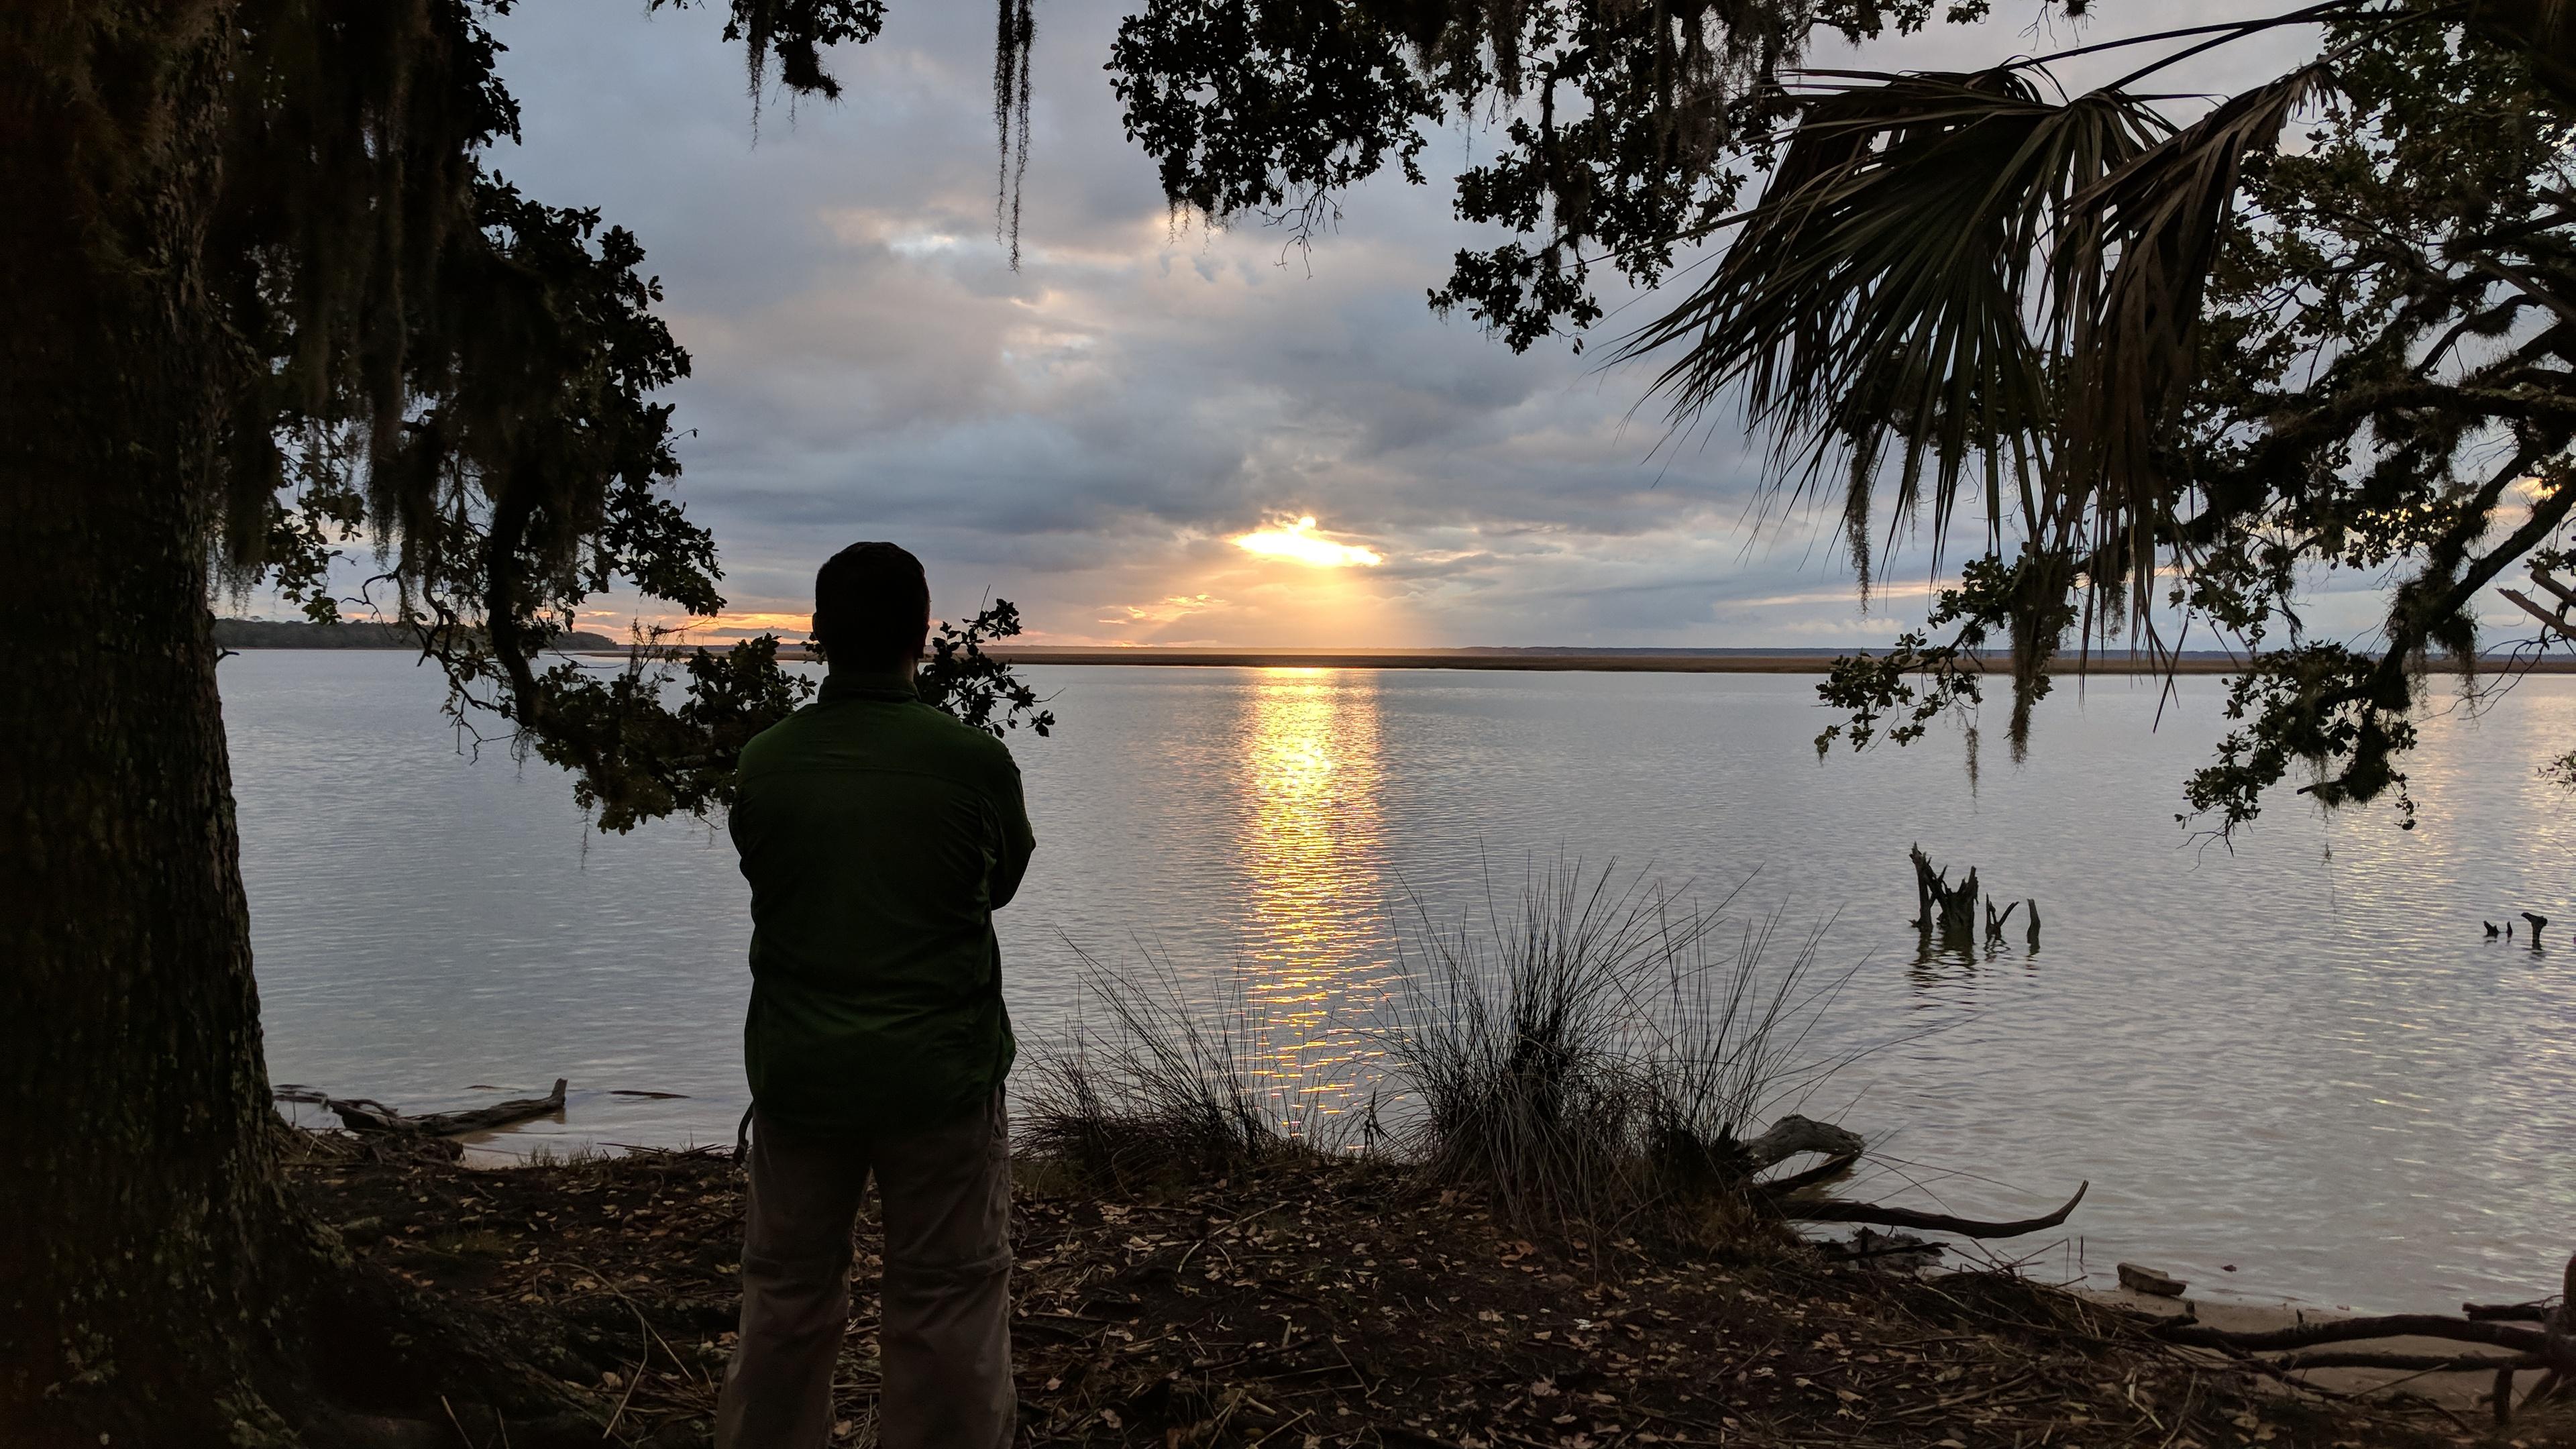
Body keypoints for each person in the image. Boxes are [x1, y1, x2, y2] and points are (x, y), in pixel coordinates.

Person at [715, 541, 1036, 1449]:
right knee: (947, 1303)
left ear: (818, 637)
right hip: (940, 1081)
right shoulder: (974, 765)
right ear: (920, 637)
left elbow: (766, 873)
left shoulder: (766, 764)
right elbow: (1000, 883)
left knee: (782, 1296)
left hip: (801, 1075)